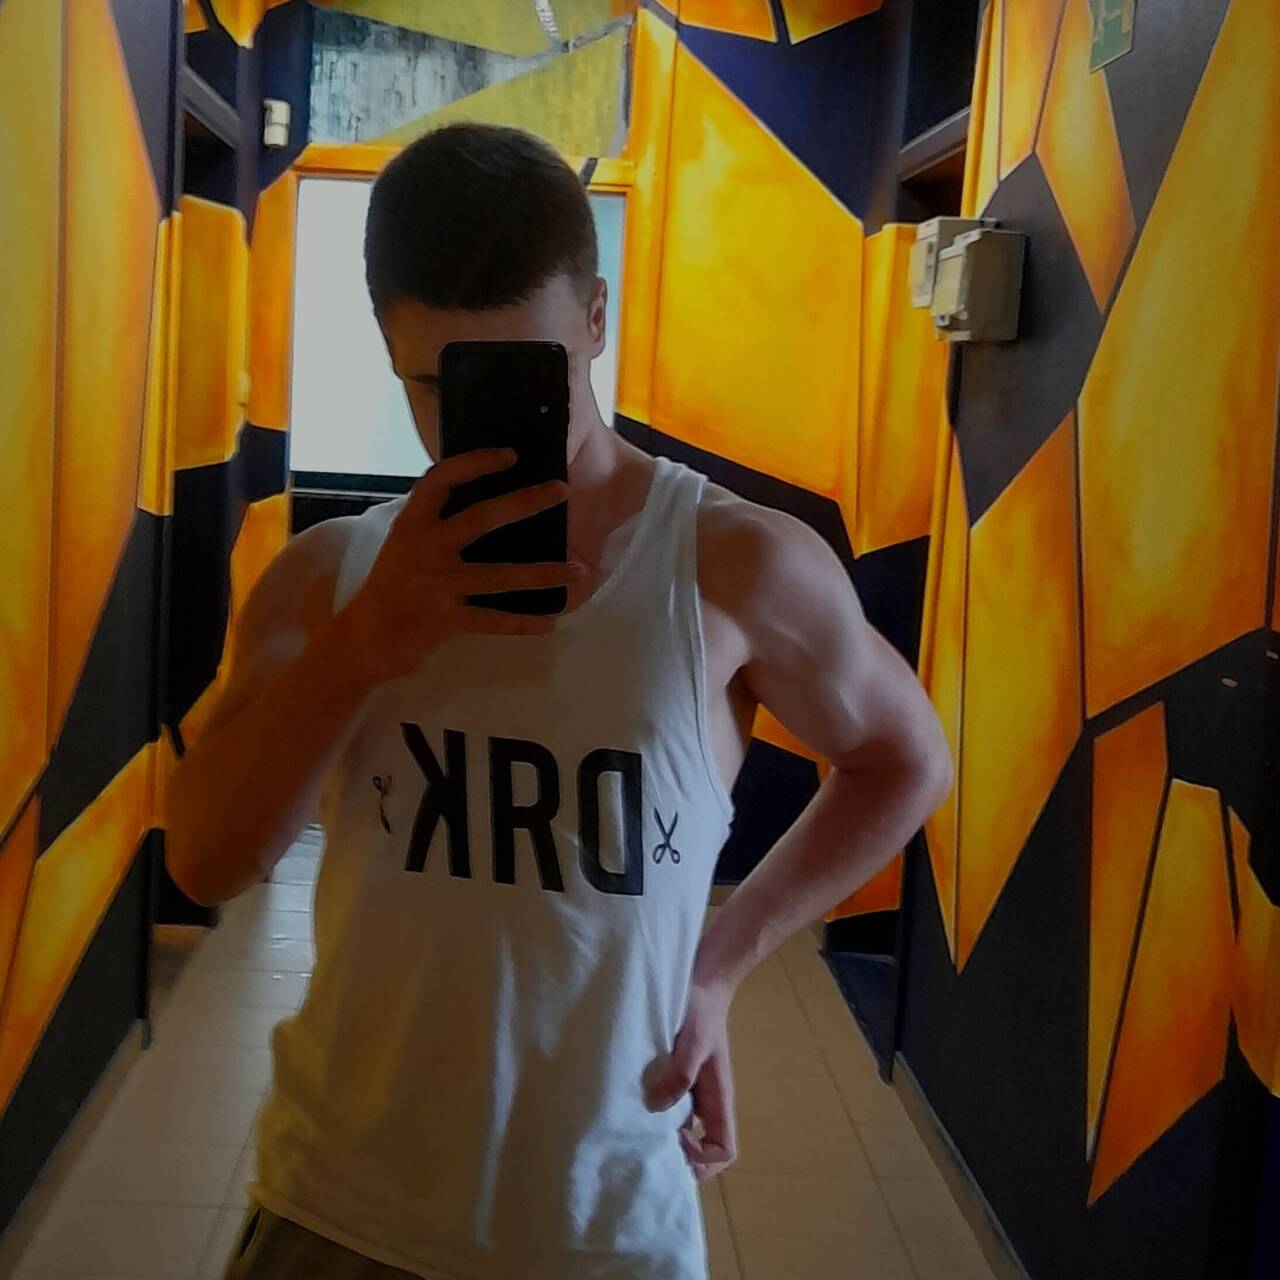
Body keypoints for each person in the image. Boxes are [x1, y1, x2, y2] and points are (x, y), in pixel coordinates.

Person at [166, 122, 952, 1280]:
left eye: (525, 373)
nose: (475, 419)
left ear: (594, 317)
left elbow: (905, 757)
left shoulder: (731, 563)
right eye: (434, 383)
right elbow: (202, 861)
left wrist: (717, 964)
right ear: (388, 346)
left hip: (608, 1222)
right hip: (338, 1203)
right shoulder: (327, 576)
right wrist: (363, 645)